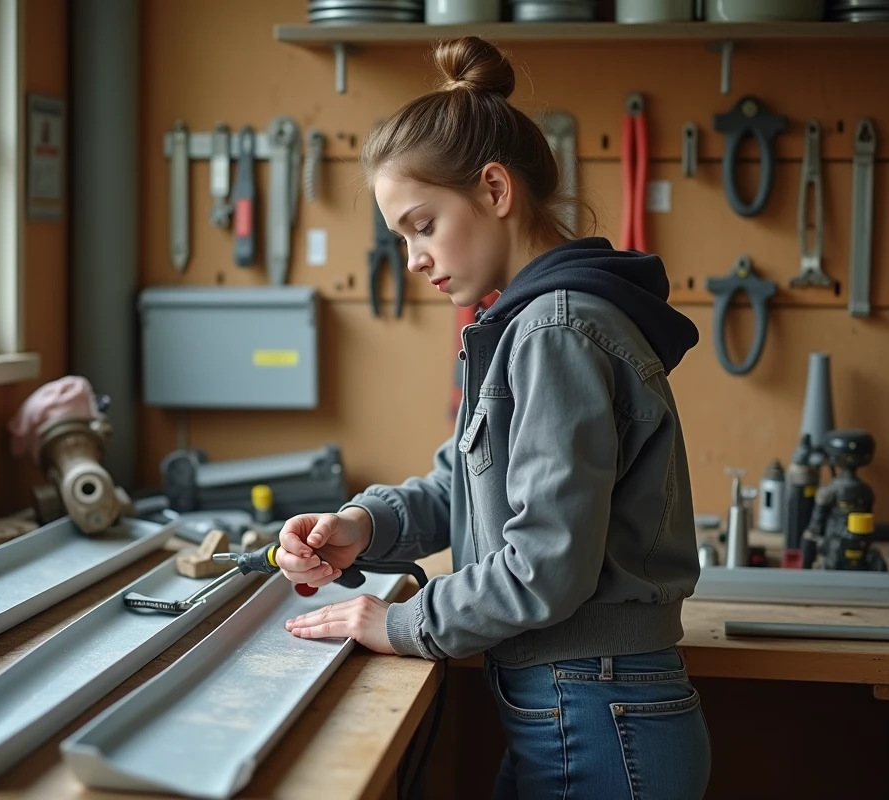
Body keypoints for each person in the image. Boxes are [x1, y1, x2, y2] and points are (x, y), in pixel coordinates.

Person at [276, 35, 711, 799]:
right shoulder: (530, 325)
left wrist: (399, 624)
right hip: (576, 703)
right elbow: (464, 487)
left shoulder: (554, 332)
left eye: (421, 224)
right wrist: (362, 526)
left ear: (495, 190)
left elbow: (545, 566)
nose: (412, 258)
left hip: (595, 710)